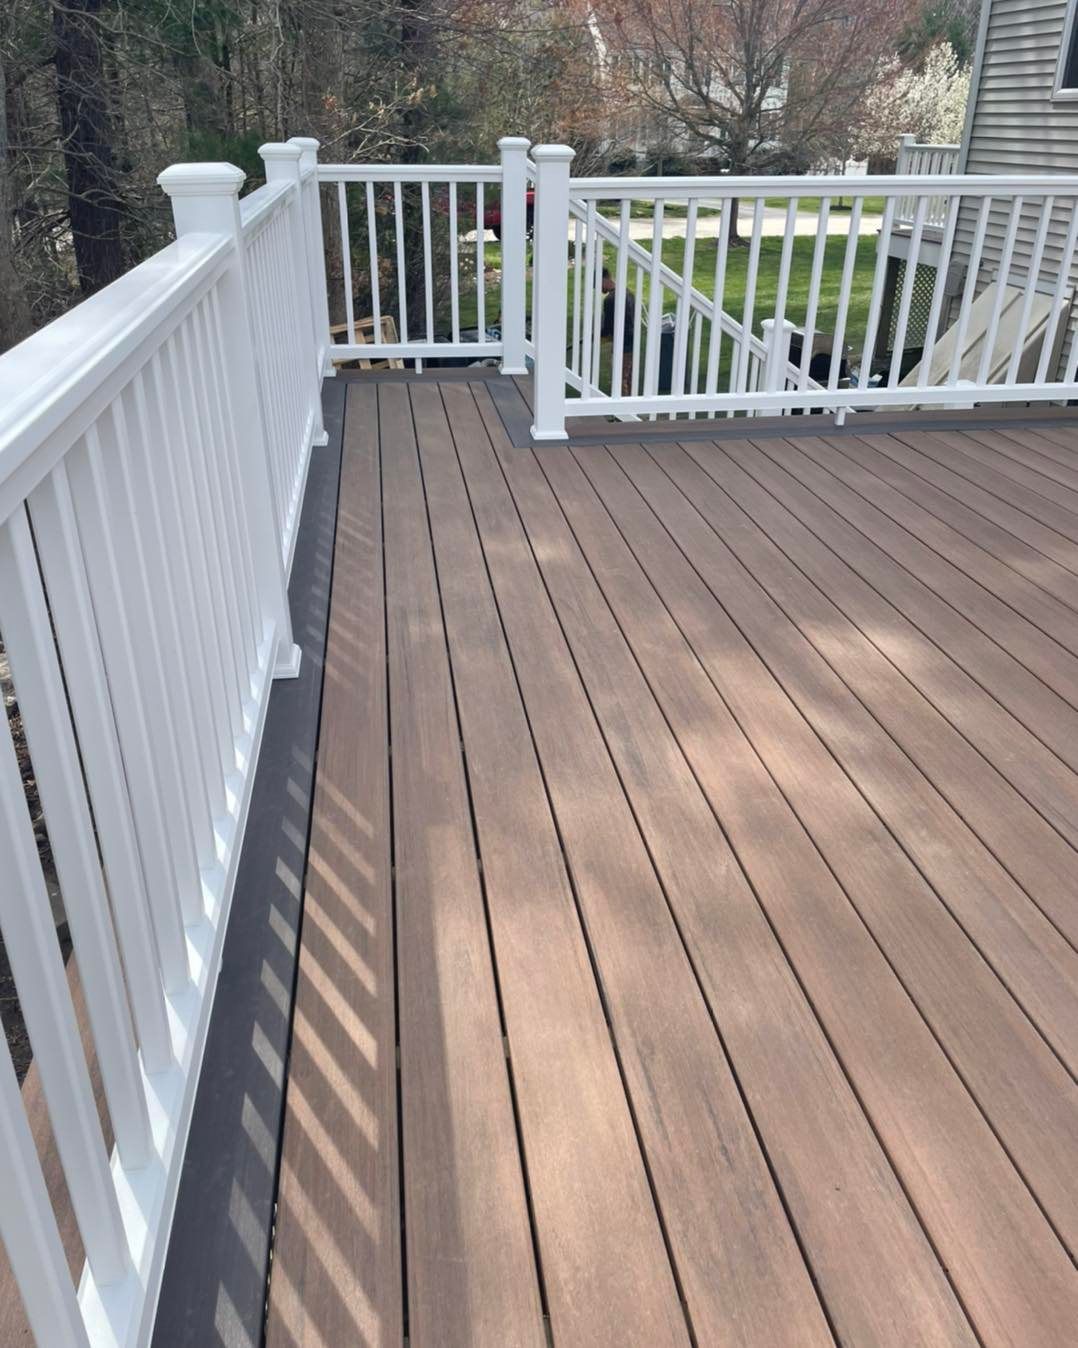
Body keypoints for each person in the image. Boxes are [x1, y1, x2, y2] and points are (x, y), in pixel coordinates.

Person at [600, 268, 635, 396]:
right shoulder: (629, 293)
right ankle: (631, 406)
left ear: (604, 279)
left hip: (622, 343)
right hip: (632, 341)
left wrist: (599, 335)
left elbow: (608, 327)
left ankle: (622, 413)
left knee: (620, 379)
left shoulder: (610, 300)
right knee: (629, 377)